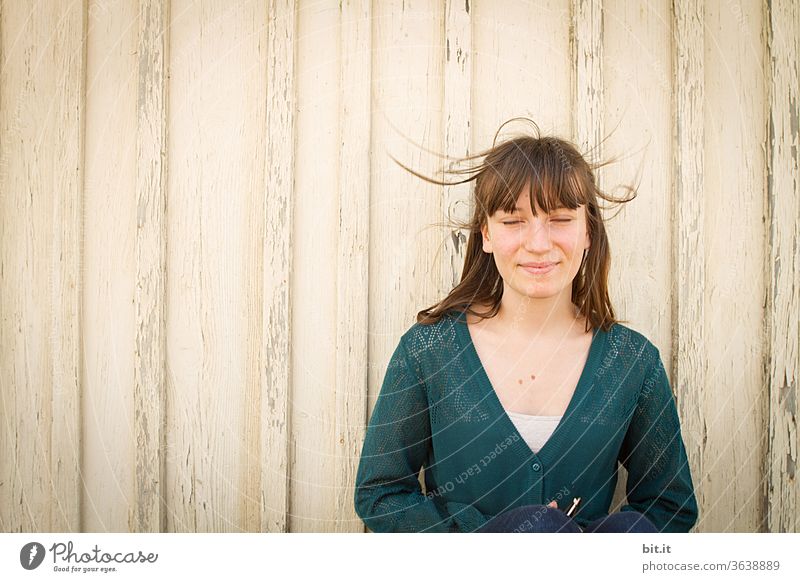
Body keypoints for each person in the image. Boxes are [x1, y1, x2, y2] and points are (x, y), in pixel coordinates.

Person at [353, 119, 698, 533]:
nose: (538, 243)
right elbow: (380, 493)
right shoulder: (430, 351)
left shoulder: (632, 363)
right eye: (513, 220)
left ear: (588, 230)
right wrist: (488, 543)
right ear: (486, 233)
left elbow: (671, 507)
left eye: (559, 218)